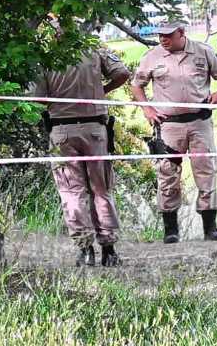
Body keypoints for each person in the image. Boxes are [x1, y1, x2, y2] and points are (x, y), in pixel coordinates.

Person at [130, 20, 217, 244]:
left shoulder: (203, 52)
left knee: (206, 171)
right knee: (167, 173)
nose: (163, 39)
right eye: (160, 35)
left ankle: (210, 227)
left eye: (168, 35)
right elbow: (136, 85)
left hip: (200, 122)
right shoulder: (152, 56)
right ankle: (171, 230)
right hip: (169, 125)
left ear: (181, 33)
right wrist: (147, 109)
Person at [34, 42, 130, 267]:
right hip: (95, 129)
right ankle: (109, 250)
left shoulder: (46, 57)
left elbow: (36, 95)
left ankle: (85, 250)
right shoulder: (95, 50)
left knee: (71, 191)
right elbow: (122, 73)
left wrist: (61, 102)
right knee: (101, 189)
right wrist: (101, 91)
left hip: (62, 130)